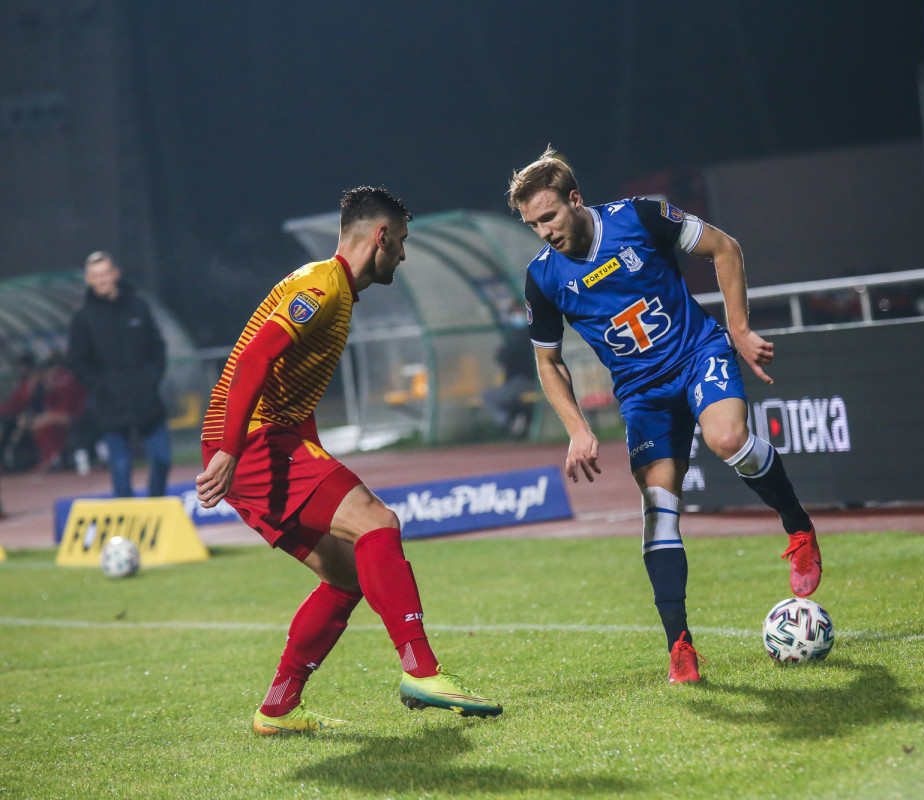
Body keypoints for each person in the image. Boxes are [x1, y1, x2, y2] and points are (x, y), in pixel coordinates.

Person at [196, 186, 501, 735]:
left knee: (344, 577)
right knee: (377, 522)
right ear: (380, 237)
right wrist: (230, 449)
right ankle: (422, 671)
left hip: (266, 440)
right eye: (400, 241)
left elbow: (293, 392)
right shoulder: (322, 286)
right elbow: (253, 361)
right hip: (256, 442)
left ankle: (278, 708)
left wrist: (306, 454)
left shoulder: (334, 291)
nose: (403, 254)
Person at [507, 148, 819, 684]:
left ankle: (798, 527)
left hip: (697, 353)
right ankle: (680, 646)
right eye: (533, 224)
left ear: (575, 199)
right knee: (659, 509)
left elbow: (724, 247)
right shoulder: (543, 277)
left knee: (728, 439)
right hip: (642, 393)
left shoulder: (638, 216)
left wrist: (739, 330)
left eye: (549, 216)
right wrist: (578, 428)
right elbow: (548, 361)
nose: (544, 231)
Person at [66, 252, 171, 497]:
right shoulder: (83, 318)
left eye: (106, 273)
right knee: (121, 468)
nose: (102, 280)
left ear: (116, 274)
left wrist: (151, 380)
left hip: (147, 399)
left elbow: (158, 348)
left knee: (162, 458)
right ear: (88, 280)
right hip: (109, 404)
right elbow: (77, 362)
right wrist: (101, 387)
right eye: (96, 276)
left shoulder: (138, 306)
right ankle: (127, 518)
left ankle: (156, 508)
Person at [481, 301, 539, 438]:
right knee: (504, 395)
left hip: (527, 381)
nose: (516, 316)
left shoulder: (524, 334)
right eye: (513, 313)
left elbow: (503, 355)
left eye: (518, 312)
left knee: (488, 397)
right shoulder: (522, 333)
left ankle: (510, 422)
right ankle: (520, 418)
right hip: (523, 381)